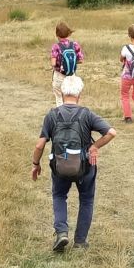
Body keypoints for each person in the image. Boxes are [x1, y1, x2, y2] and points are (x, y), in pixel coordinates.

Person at [32, 75, 118, 252]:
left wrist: (35, 164)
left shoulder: (52, 115)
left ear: (62, 92)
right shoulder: (87, 114)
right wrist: (94, 147)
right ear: (79, 94)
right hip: (85, 166)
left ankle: (62, 233)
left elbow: (40, 144)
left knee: (59, 196)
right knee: (86, 200)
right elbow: (111, 132)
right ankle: (80, 241)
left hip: (59, 167)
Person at [48, 22, 84, 105]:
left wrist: (60, 64)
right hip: (72, 75)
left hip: (59, 75)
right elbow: (81, 60)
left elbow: (53, 63)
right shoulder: (75, 45)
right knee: (72, 97)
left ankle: (61, 116)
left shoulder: (56, 47)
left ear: (57, 34)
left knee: (59, 97)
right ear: (68, 33)